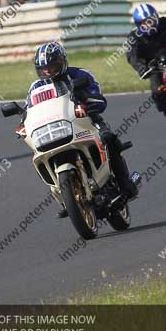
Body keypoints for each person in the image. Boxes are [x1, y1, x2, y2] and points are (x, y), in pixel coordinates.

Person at [25, 42, 139, 211]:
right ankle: (66, 197)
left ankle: (126, 184)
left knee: (109, 139)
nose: (48, 71)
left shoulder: (80, 74)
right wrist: (23, 122)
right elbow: (29, 108)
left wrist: (90, 101)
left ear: (62, 61)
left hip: (85, 120)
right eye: (43, 68)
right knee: (38, 155)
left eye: (52, 66)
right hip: (54, 128)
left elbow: (96, 94)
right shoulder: (35, 87)